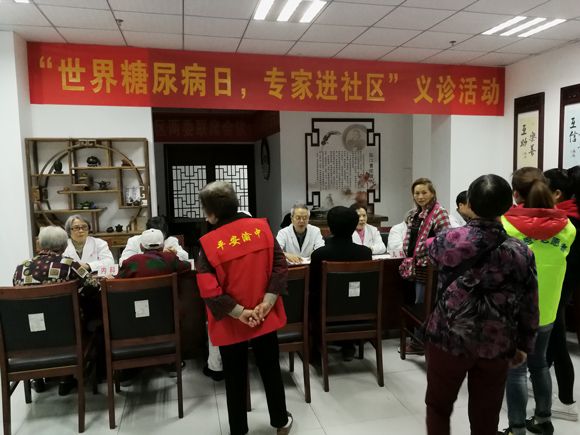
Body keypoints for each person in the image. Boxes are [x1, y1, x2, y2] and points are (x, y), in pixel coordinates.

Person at [425, 174, 539, 435]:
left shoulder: (447, 240)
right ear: (508, 206)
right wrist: (524, 344)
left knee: (438, 407)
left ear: (470, 204)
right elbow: (530, 302)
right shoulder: (521, 251)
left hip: (448, 337)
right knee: (486, 415)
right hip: (497, 342)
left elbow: (428, 252)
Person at [195, 181, 292, 435]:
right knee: (270, 368)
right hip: (263, 315)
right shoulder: (262, 228)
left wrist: (239, 312)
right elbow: (280, 266)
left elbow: (208, 289)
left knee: (235, 375)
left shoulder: (208, 243)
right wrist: (266, 303)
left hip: (231, 321)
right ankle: (281, 422)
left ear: (211, 213)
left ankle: (238, 430)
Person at [500, 167, 576, 435]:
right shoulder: (568, 227)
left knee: (516, 371)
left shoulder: (506, 226)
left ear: (516, 194)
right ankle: (543, 420)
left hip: (516, 311)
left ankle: (517, 427)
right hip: (549, 310)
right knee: (540, 364)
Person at [13, 225, 99, 396]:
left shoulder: (21, 267)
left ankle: (38, 377)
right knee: (91, 316)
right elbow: (94, 288)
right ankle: (66, 378)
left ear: (39, 244)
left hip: (30, 333)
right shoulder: (69, 265)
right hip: (66, 332)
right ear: (65, 246)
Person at [310, 206, 372, 361]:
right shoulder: (365, 253)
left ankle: (315, 349)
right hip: (358, 311)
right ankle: (348, 345)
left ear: (330, 227)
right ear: (354, 226)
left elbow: (313, 287)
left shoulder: (319, 254)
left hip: (326, 311)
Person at [543, 168, 580, 421]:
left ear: (556, 193)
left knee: (556, 339)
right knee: (551, 335)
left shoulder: (568, 220)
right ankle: (541, 377)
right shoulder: (567, 214)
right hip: (561, 283)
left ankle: (566, 401)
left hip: (560, 283)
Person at [400, 178, 451, 354]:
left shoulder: (439, 212)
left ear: (432, 193)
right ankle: (418, 340)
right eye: (417, 193)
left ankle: (419, 343)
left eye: (424, 192)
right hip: (414, 265)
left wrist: (427, 248)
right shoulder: (416, 213)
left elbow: (445, 240)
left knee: (423, 304)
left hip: (428, 266)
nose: (420, 196)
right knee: (416, 302)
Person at [116, 229, 190, 278]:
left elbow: (119, 278)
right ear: (163, 246)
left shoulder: (133, 261)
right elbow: (188, 266)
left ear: (141, 246)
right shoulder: (170, 258)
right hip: (166, 297)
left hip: (139, 297)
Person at [119, 216, 188, 266]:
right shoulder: (134, 241)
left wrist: (175, 253)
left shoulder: (171, 241)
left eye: (160, 235)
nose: (156, 238)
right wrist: (142, 260)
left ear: (165, 232)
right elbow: (122, 262)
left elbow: (185, 257)